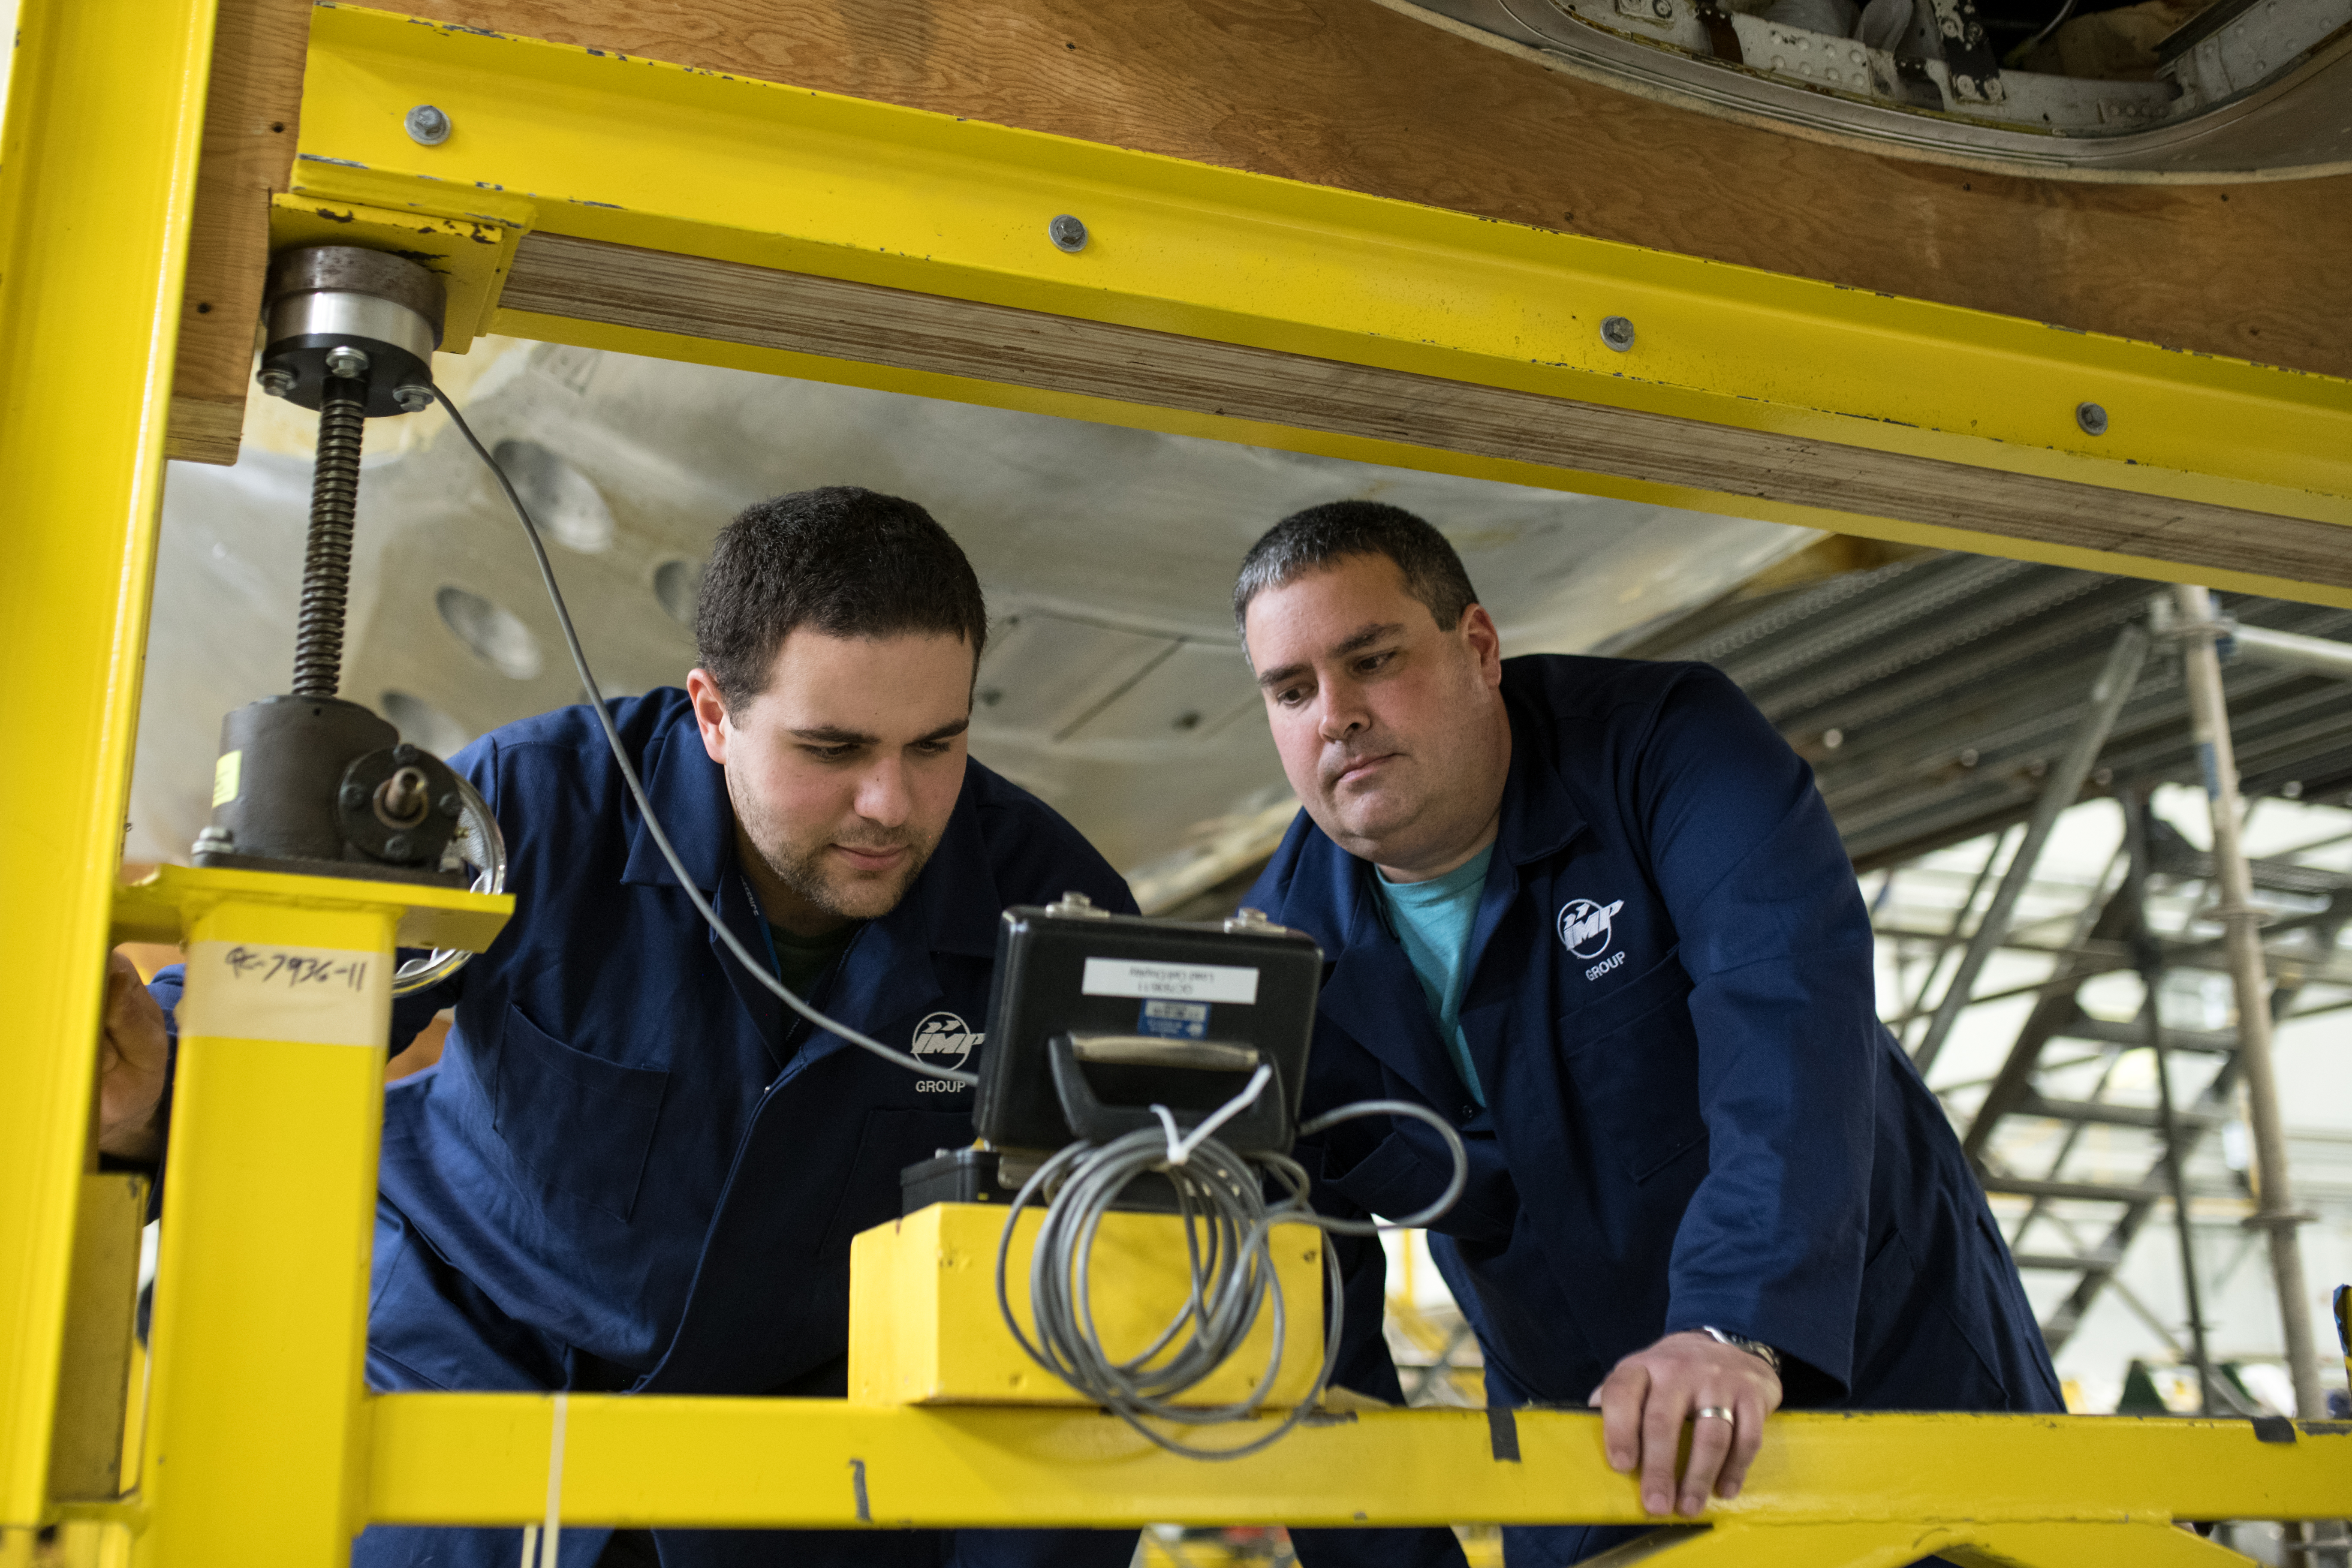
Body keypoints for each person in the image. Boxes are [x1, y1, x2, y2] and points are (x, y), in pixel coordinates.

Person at [99, 487, 1141, 1568]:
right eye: (831, 747)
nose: (891, 801)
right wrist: (155, 1090)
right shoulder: (532, 806)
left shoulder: (1056, 907)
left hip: (779, 1461)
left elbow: (1100, 1281)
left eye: (936, 744)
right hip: (467, 1376)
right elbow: (296, 1002)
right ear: (711, 712)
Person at [1232, 502, 2062, 1567]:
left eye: (1373, 659)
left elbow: (1788, 1028)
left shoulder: (1668, 749)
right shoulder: (1282, 956)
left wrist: (1733, 1326)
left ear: (1478, 648)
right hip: (1585, 1453)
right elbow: (1309, 1319)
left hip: (1867, 1367)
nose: (1334, 715)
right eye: (1292, 690)